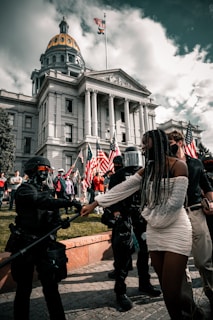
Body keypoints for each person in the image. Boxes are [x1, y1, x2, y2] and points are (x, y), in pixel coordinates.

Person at [81, 129, 193, 319]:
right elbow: (123, 188)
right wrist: (95, 203)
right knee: (167, 290)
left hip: (175, 229)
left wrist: (148, 217)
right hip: (155, 231)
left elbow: (175, 205)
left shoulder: (179, 166)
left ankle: (194, 312)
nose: (142, 148)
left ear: (156, 144)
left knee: (173, 290)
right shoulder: (147, 169)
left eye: (145, 144)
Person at [5, 156, 82, 320]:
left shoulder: (48, 193)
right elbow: (39, 201)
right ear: (32, 170)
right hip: (25, 243)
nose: (46, 173)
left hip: (44, 245)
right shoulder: (24, 189)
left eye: (48, 170)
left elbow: (52, 215)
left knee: (51, 286)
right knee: (24, 288)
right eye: (42, 170)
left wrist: (60, 223)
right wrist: (68, 202)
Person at [102, 147, 161, 311]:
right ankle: (120, 292)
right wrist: (116, 213)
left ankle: (144, 283)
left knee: (145, 250)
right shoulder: (118, 176)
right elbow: (112, 197)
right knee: (123, 253)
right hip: (125, 217)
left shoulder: (144, 174)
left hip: (141, 216)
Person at [168, 130, 213, 310]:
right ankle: (188, 306)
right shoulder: (166, 165)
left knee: (204, 261)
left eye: (170, 142)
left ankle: (211, 294)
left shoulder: (195, 163)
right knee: (180, 266)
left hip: (195, 213)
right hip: (175, 217)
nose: (167, 146)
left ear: (179, 143)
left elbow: (206, 186)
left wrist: (211, 201)